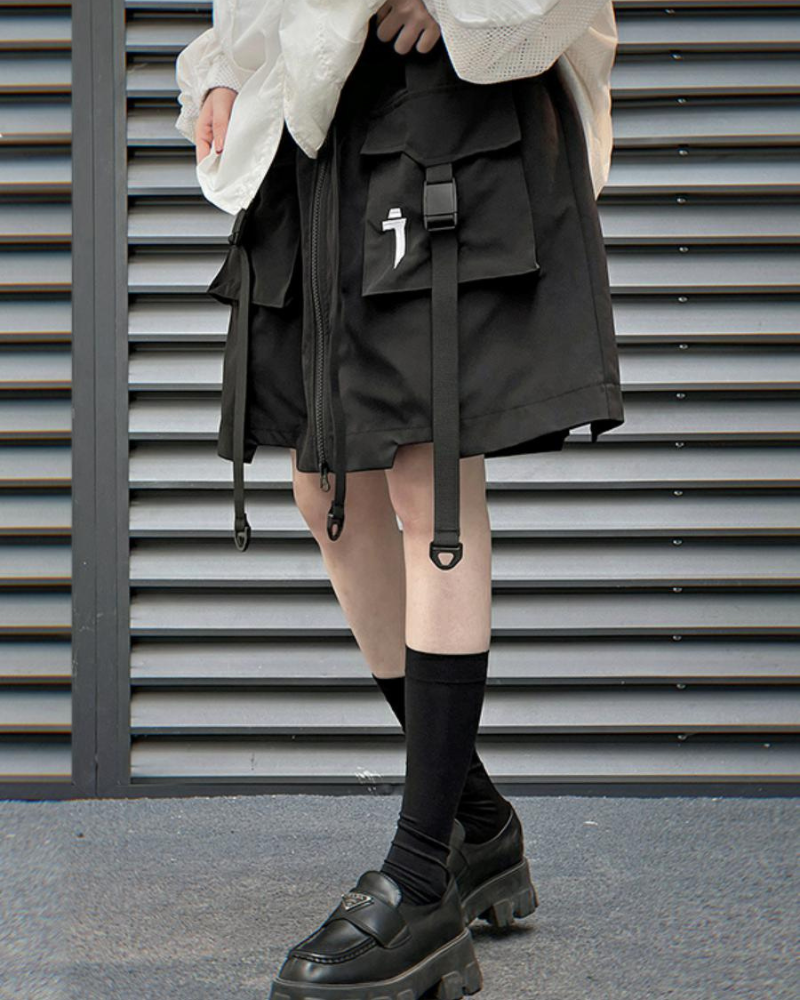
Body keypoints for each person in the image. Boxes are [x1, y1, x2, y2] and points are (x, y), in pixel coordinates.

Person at [175, 2, 625, 997]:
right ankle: (476, 822)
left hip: (446, 108)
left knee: (430, 475)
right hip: (317, 122)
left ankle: (421, 878)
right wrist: (224, 66)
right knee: (324, 484)